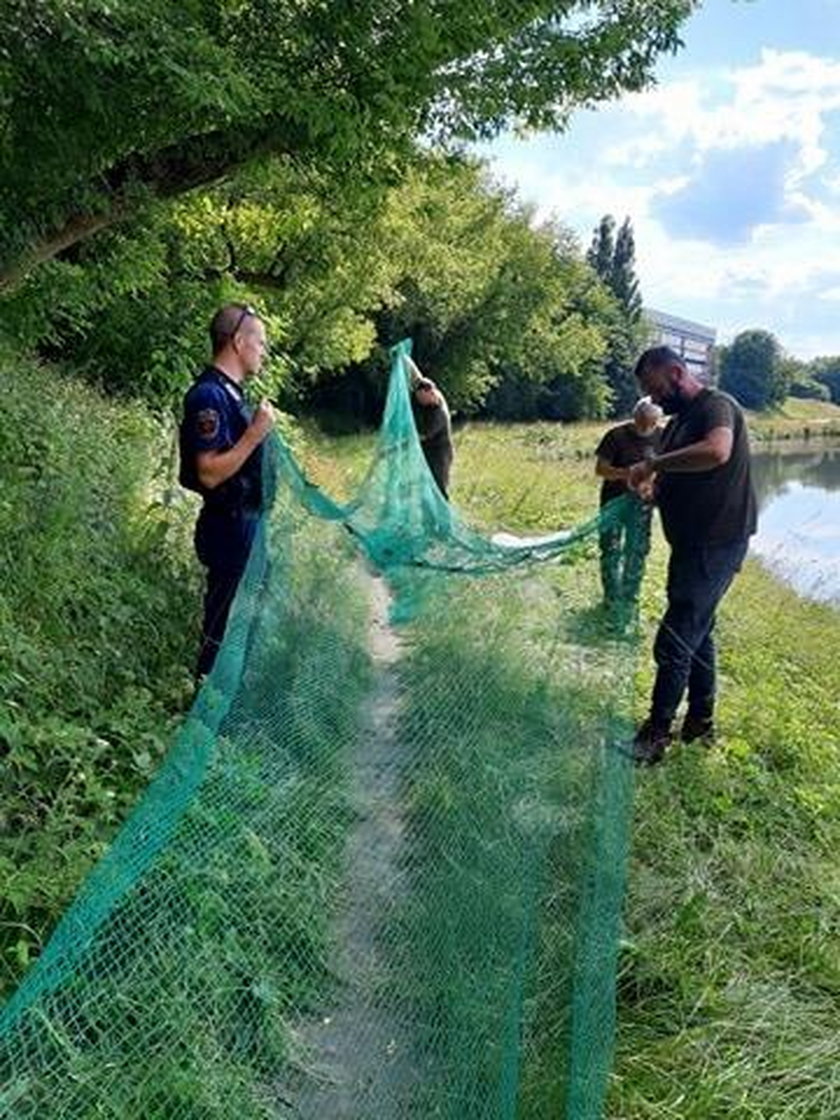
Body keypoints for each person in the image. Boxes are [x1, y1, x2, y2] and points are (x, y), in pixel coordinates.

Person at [626, 345, 757, 764]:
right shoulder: (677, 423)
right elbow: (673, 479)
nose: (655, 399)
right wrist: (653, 490)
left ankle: (656, 735)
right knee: (698, 633)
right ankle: (700, 722)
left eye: (656, 388)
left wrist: (653, 464)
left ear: (678, 372)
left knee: (676, 639)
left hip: (716, 542)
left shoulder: (717, 406)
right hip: (690, 543)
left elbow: (717, 452)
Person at [179, 303, 275, 679]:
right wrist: (255, 434)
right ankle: (205, 712)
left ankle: (228, 712)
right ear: (238, 341)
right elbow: (209, 473)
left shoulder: (232, 394)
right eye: (261, 342)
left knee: (245, 626)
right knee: (222, 628)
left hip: (247, 524)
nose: (263, 351)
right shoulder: (208, 396)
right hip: (228, 526)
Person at [594, 398, 662, 609]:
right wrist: (628, 473)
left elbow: (666, 468)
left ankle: (630, 597)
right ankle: (611, 597)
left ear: (657, 421)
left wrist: (651, 484)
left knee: (637, 550)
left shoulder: (663, 436)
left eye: (650, 423)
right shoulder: (616, 436)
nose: (645, 427)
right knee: (610, 548)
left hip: (642, 505)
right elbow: (600, 469)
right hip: (613, 501)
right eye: (642, 422)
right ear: (634, 417)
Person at [411, 376, 454, 499]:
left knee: (438, 489)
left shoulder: (438, 412)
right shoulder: (431, 400)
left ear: (430, 392)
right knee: (425, 488)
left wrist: (402, 443)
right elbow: (419, 378)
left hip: (440, 455)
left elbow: (423, 436)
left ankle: (444, 517)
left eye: (421, 396)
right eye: (418, 397)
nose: (419, 400)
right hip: (428, 452)